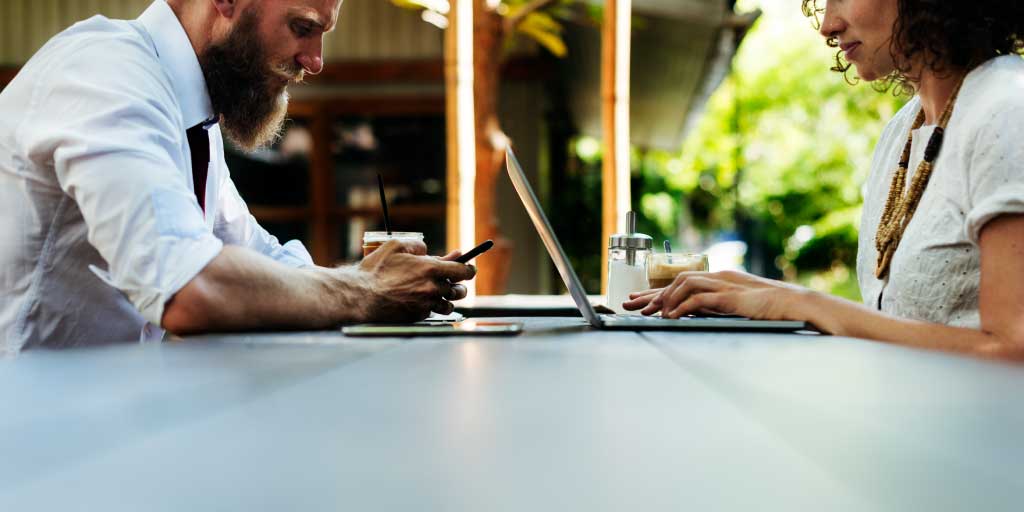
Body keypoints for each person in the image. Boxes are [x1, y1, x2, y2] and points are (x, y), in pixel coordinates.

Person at [0, 0, 475, 354]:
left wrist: (381, 279)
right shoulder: (106, 75)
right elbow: (191, 289)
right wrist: (367, 291)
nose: (316, 60)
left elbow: (258, 256)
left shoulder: (190, 114)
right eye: (302, 27)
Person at [625, 0, 1024, 358]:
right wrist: (758, 292)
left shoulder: (1007, 108)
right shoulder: (903, 131)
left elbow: (1013, 349)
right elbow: (898, 323)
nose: (828, 25)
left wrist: (805, 304)